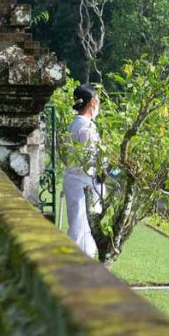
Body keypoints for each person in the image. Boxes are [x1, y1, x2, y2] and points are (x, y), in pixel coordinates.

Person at [62, 84, 101, 258]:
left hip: (76, 181)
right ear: (92, 102)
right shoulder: (85, 127)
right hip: (82, 182)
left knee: (81, 226)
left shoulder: (76, 124)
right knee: (81, 228)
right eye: (98, 99)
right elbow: (90, 158)